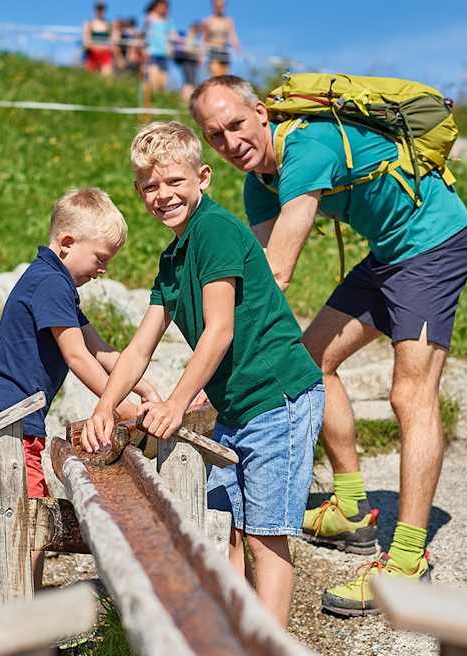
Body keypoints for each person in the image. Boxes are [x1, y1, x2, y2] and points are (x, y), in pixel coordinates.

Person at [190, 75, 467, 616]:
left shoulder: (308, 146)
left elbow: (275, 273)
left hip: (434, 243)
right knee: (311, 360)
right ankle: (350, 508)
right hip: (389, 255)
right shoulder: (261, 182)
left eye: (236, 125)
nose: (231, 143)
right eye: (215, 136)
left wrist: (214, 362)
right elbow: (241, 279)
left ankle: (408, 561)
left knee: (409, 396)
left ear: (261, 112)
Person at [81, 121, 324, 626]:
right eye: (150, 187)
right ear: (138, 193)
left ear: (203, 178)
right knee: (226, 525)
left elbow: (219, 332)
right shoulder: (173, 259)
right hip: (237, 406)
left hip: (278, 394)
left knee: (265, 533)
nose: (162, 195)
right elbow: (139, 348)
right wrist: (104, 407)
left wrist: (175, 402)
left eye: (173, 182)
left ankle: (268, 644)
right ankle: (233, 633)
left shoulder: (214, 230)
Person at [0, 187, 162, 590]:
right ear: (67, 242)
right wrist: (120, 409)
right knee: (28, 519)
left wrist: (145, 389)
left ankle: (24, 607)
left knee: (27, 515)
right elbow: (77, 358)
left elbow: (102, 350)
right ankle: (23, 618)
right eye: (100, 259)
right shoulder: (50, 284)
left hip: (17, 420)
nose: (103, 270)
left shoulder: (55, 283)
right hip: (5, 423)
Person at [142, 0, 178, 94]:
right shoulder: (149, 18)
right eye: (163, 6)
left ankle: (159, 99)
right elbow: (144, 35)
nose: (165, 9)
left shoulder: (168, 22)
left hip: (165, 54)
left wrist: (172, 48)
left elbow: (173, 36)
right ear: (156, 6)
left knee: (163, 82)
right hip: (152, 53)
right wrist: (145, 49)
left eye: (166, 7)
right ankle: (151, 98)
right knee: (153, 78)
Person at [201, 0, 239, 78]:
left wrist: (239, 50)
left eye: (222, 4)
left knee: (225, 78)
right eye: (218, 4)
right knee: (216, 77)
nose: (220, 6)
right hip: (213, 50)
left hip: (225, 51)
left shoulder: (228, 20)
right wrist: (202, 54)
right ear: (214, 5)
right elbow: (204, 38)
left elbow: (233, 36)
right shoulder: (208, 20)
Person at [82, 1, 119, 76]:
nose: (100, 11)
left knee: (106, 78)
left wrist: (118, 57)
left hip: (105, 53)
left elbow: (114, 41)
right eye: (98, 9)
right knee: (90, 78)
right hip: (92, 53)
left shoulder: (110, 25)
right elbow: (86, 40)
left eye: (102, 9)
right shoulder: (89, 24)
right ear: (95, 10)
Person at [173, 21, 202, 102]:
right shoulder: (188, 36)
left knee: (191, 82)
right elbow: (187, 49)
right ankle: (185, 100)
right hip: (187, 60)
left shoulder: (196, 38)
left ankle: (188, 99)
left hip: (192, 61)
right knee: (189, 82)